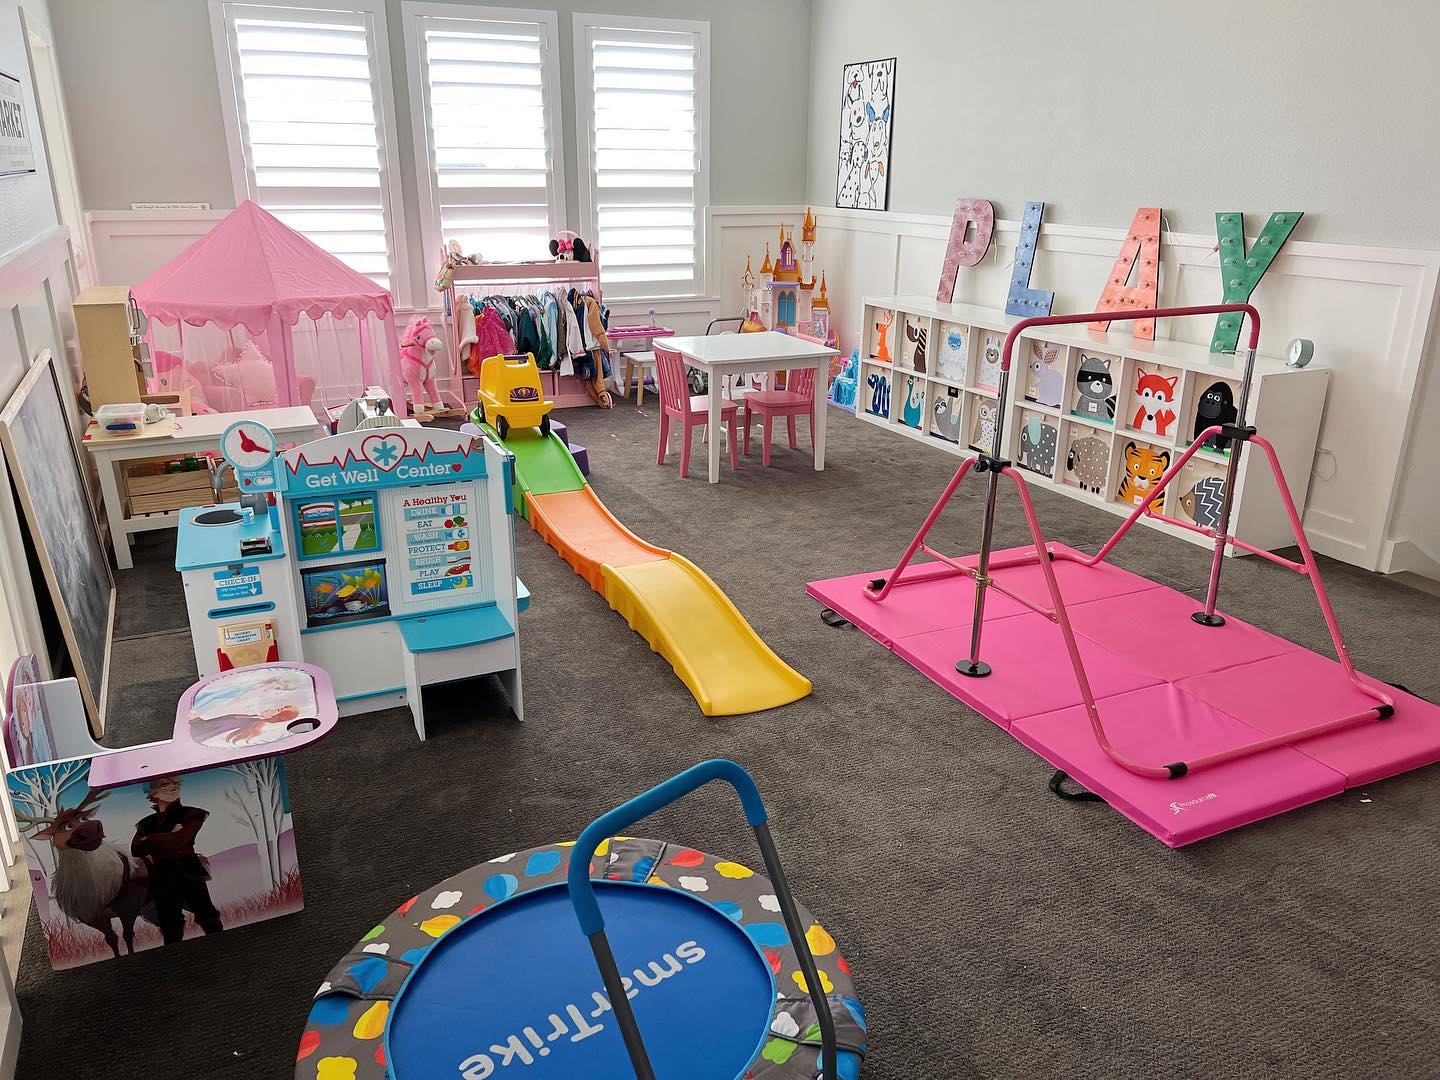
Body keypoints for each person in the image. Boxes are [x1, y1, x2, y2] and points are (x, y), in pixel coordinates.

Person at [132, 776, 223, 944]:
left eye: (176, 783)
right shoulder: (146, 822)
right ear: (153, 792)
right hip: (161, 877)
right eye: (165, 784)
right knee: (169, 926)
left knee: (208, 917)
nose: (173, 787)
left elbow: (179, 840)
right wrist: (167, 835)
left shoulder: (192, 813)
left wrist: (150, 839)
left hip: (190, 872)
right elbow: (136, 849)